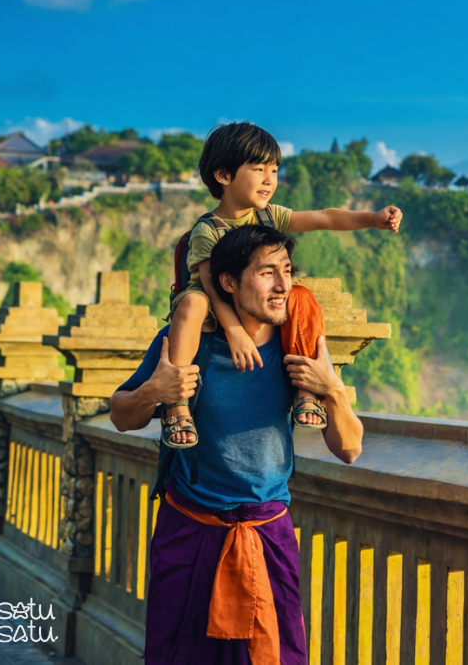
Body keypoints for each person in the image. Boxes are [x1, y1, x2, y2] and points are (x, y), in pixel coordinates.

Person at [110, 225, 363, 665]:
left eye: (287, 271)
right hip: (190, 529)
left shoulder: (297, 345)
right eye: (267, 273)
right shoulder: (190, 343)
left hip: (267, 534)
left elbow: (350, 449)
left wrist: (333, 391)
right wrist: (154, 392)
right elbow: (120, 414)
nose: (283, 286)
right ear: (228, 281)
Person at [163, 120, 401, 449]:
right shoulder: (209, 229)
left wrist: (372, 219)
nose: (269, 179)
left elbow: (323, 217)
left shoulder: (268, 216)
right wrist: (234, 331)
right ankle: (176, 403)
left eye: (274, 170)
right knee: (194, 302)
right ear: (223, 175)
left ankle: (307, 392)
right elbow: (210, 285)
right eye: (259, 169)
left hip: (253, 299)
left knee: (301, 295)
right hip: (212, 303)